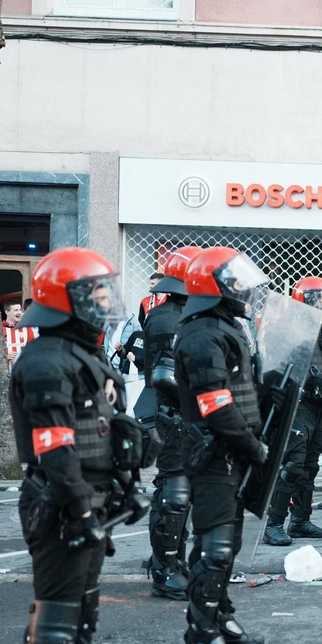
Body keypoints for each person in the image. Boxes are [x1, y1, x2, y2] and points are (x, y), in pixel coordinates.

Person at [9, 246, 141, 644]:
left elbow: (102, 430)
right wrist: (81, 512)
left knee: (82, 619)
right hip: (63, 507)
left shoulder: (83, 354)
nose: (105, 301)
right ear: (66, 301)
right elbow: (56, 448)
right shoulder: (44, 361)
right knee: (57, 626)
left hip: (90, 502)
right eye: (96, 292)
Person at [175, 247, 271, 644]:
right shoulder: (201, 335)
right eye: (233, 283)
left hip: (233, 451)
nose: (243, 291)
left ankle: (220, 618)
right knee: (214, 548)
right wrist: (253, 447)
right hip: (215, 453)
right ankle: (202, 643)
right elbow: (215, 405)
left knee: (226, 545)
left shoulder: (225, 327)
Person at [263, 276, 322, 547]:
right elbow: (275, 365)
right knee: (293, 463)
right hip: (298, 401)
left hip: (321, 401)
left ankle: (300, 519)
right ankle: (274, 524)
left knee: (311, 464)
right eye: (317, 299)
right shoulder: (286, 325)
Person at [139, 245, 201, 601]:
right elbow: (165, 375)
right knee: (174, 494)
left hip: (188, 415)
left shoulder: (183, 313)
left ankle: (173, 562)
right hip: (174, 415)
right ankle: (164, 568)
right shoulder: (166, 317)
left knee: (184, 493)